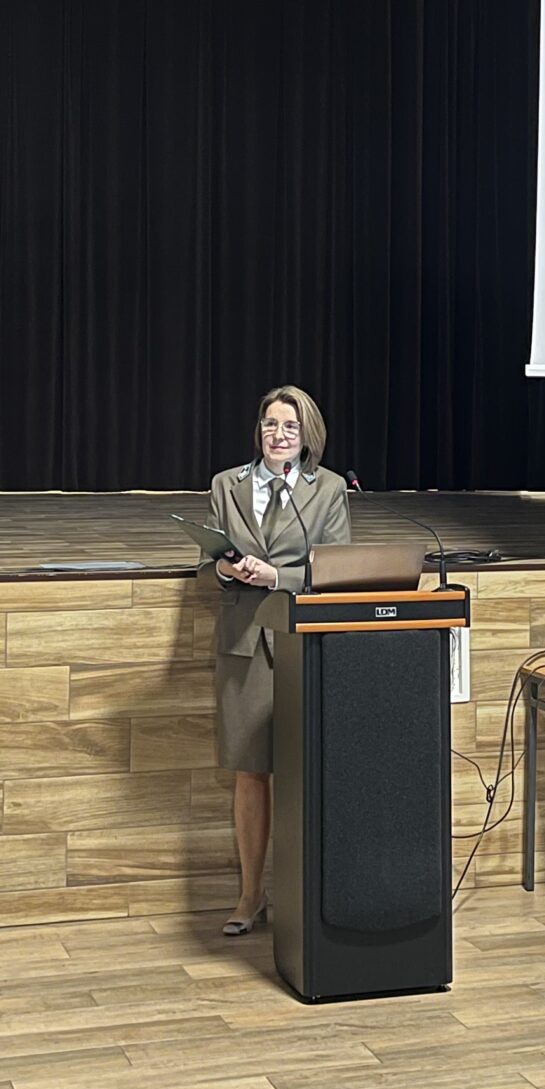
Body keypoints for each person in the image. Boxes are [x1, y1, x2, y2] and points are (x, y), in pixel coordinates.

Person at [204, 385, 351, 936]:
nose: (278, 435)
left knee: (305, 770)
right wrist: (226, 570)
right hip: (244, 641)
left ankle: (305, 895)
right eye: (270, 424)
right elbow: (206, 565)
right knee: (251, 771)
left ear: (306, 435)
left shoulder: (328, 488)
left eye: (290, 426)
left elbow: (336, 569)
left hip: (302, 638)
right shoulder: (226, 485)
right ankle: (250, 895)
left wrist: (278, 577)